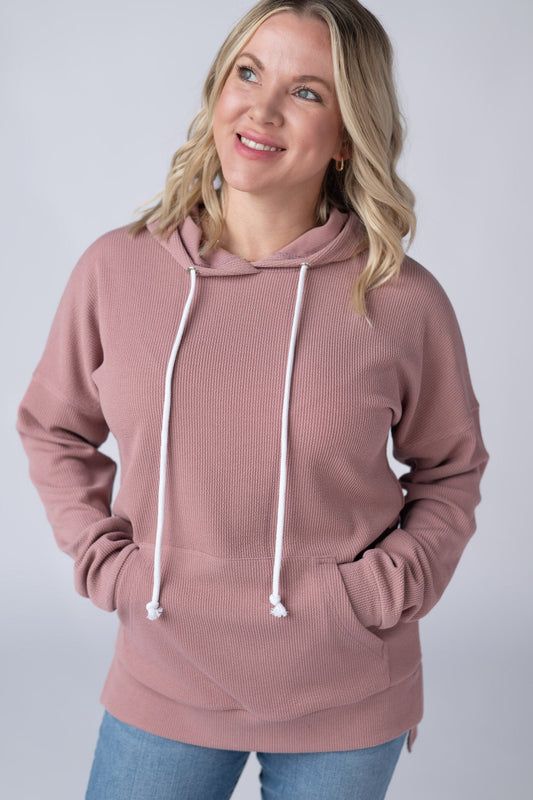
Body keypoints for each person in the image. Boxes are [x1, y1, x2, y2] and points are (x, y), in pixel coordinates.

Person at [16, 1, 489, 798]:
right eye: (248, 73)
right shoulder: (116, 271)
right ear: (218, 89)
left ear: (346, 137)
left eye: (306, 92)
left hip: (345, 690)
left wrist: (378, 590)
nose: (261, 110)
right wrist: (107, 563)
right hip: (164, 673)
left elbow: (450, 468)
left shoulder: (400, 299)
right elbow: (53, 429)